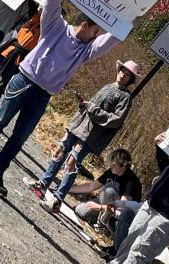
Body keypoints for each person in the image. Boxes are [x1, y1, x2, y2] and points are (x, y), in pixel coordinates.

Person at [0, 0, 129, 197]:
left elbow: (108, 42)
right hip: (24, 81)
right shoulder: (56, 26)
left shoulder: (86, 50)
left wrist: (128, 23)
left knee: (19, 138)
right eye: (95, 32)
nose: (96, 37)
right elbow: (51, 3)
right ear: (85, 25)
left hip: (43, 95)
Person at [23, 60, 140, 213]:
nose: (123, 74)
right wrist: (85, 105)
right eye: (122, 70)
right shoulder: (108, 86)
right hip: (79, 125)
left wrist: (91, 108)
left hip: (92, 136)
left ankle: (57, 200)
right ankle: (42, 185)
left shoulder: (125, 97)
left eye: (127, 74)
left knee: (72, 162)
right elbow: (93, 106)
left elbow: (115, 120)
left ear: (130, 79)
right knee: (60, 151)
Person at [100, 133, 169, 264]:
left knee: (140, 254)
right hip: (151, 204)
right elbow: (167, 170)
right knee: (129, 244)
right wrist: (160, 149)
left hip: (168, 218)